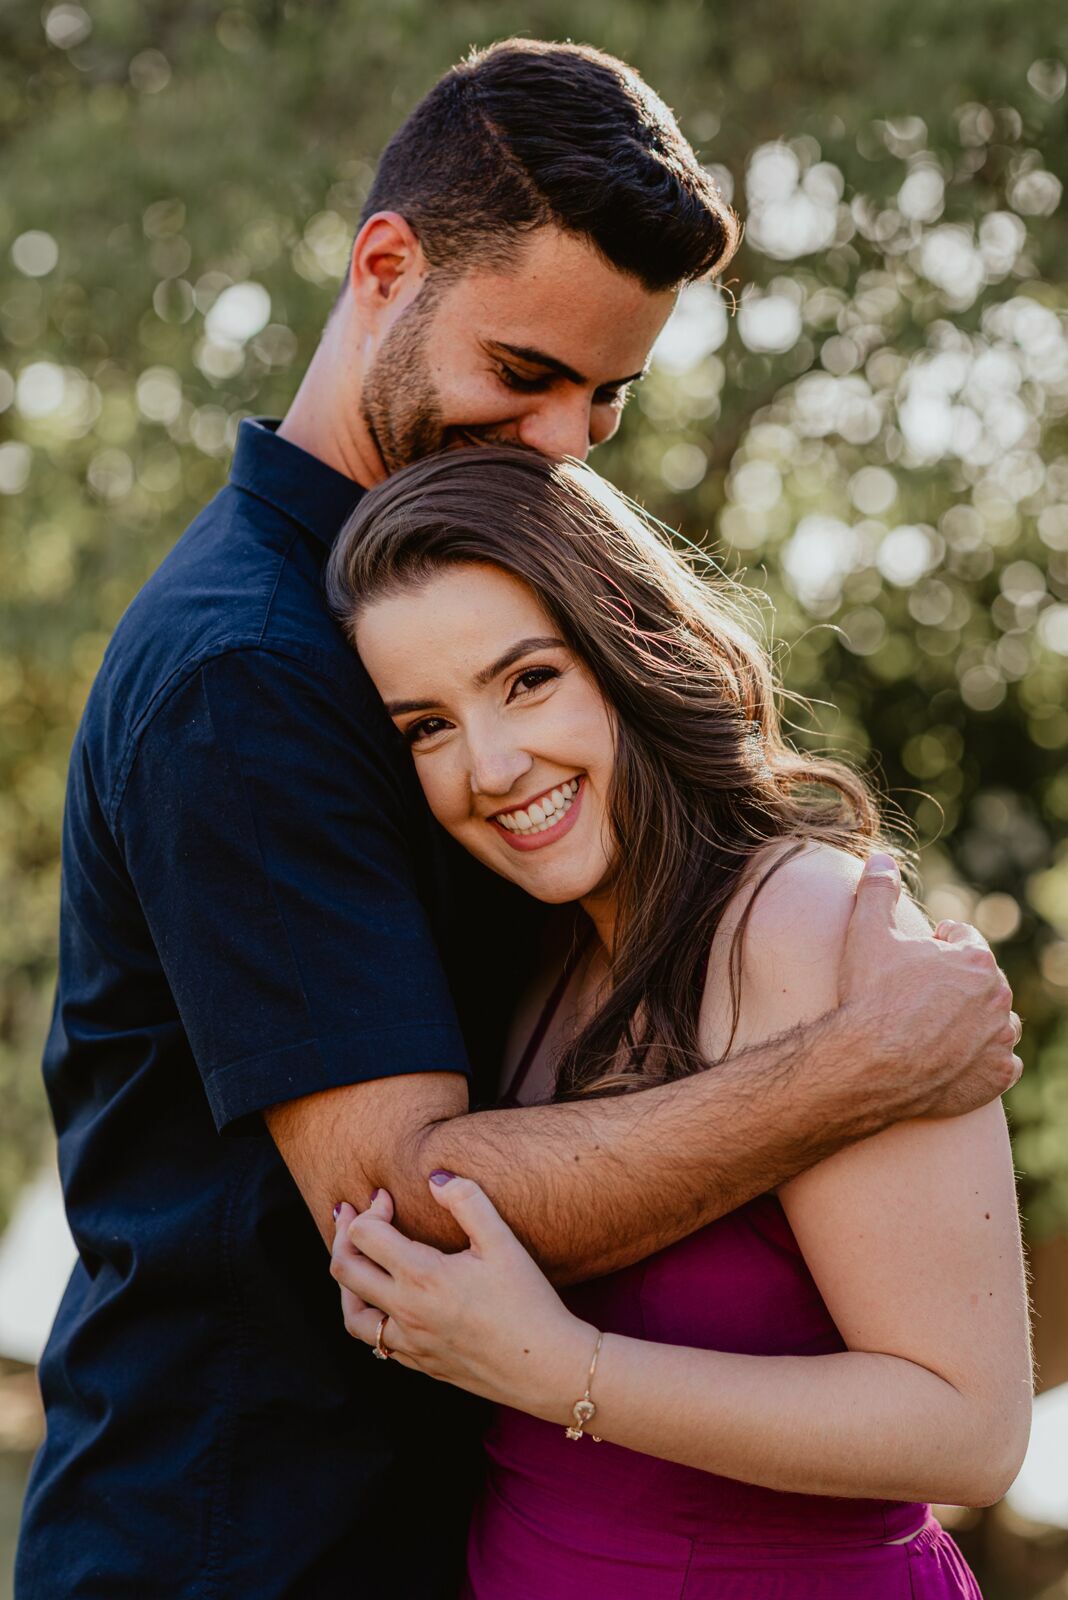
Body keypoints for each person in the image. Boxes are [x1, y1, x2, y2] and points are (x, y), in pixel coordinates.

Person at [17, 37, 1020, 1600]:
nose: (562, 443)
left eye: (606, 398)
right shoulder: (251, 670)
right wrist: (855, 1069)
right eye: (524, 373)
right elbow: (405, 1200)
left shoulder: (431, 626)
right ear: (384, 268)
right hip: (257, 1545)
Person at [325, 445, 1033, 1599]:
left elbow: (972, 1429)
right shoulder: (544, 954)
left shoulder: (810, 923)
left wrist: (565, 1370)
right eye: (426, 727)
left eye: (526, 680)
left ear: (624, 645)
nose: (491, 768)